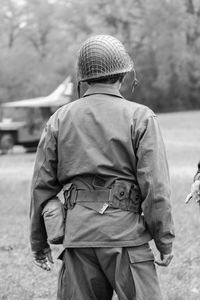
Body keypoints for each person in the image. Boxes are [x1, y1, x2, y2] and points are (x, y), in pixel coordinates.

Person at [30, 34, 175, 300]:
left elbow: (41, 187)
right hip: (127, 239)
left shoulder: (59, 119)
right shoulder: (140, 117)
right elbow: (155, 189)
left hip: (78, 240)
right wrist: (164, 240)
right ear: (123, 74)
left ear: (82, 78)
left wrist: (38, 243)